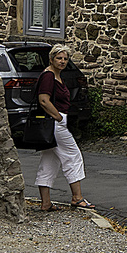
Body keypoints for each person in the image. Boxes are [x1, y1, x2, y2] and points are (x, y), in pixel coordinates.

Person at [34, 45, 93, 210]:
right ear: (51, 59)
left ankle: (46, 203)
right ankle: (77, 197)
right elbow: (43, 100)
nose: (62, 61)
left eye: (65, 59)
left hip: (54, 122)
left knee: (49, 160)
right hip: (54, 122)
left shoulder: (56, 76)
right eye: (59, 58)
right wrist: (58, 117)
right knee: (73, 155)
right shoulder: (48, 76)